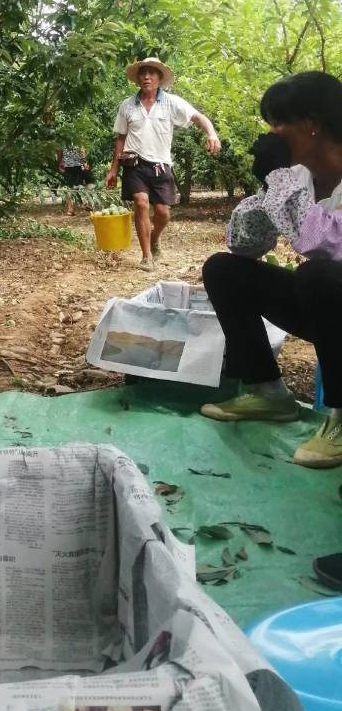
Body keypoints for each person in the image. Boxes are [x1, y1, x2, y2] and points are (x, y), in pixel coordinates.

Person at [199, 72, 342, 473]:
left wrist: (279, 182)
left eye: (280, 124)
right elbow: (245, 245)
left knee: (318, 274)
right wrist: (267, 188)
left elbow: (328, 244)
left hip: (333, 291)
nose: (273, 134)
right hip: (329, 307)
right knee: (224, 271)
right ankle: (268, 392)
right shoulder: (296, 177)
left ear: (313, 123)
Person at [106, 56, 221, 269]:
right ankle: (146, 257)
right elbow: (121, 137)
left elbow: (198, 117)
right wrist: (113, 169)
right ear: (138, 78)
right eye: (143, 73)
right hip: (134, 163)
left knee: (162, 213)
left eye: (151, 73)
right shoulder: (127, 106)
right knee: (140, 203)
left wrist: (211, 133)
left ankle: (155, 237)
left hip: (161, 165)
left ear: (160, 78)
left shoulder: (172, 102)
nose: (146, 76)